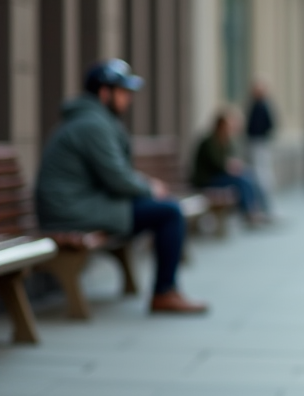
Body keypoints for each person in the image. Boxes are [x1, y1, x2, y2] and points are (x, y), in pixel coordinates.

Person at [35, 60, 207, 314]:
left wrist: (147, 187)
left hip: (82, 204)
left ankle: (166, 290)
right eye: (124, 92)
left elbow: (114, 174)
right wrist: (150, 188)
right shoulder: (91, 124)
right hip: (70, 211)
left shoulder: (93, 120)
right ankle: (164, 293)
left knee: (164, 209)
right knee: (169, 212)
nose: (129, 99)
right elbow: (117, 177)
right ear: (105, 93)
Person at [192, 112, 268, 225]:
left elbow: (230, 159)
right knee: (241, 181)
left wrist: (234, 166)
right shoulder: (209, 142)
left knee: (247, 176)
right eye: (227, 127)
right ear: (220, 127)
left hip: (219, 176)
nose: (230, 130)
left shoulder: (225, 141)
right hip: (207, 179)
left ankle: (255, 210)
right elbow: (217, 164)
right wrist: (230, 167)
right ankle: (249, 213)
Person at [245, 82, 275, 213]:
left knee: (261, 173)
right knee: (257, 173)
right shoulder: (255, 105)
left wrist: (261, 135)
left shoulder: (263, 107)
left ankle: (264, 203)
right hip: (255, 142)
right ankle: (259, 203)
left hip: (260, 142)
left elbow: (270, 125)